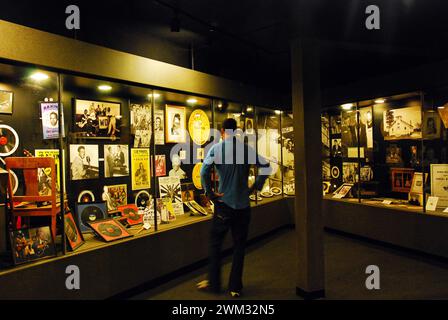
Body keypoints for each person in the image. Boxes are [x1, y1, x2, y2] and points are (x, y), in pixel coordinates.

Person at [197, 118, 272, 297]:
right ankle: (234, 288)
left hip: (224, 205)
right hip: (243, 206)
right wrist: (255, 187)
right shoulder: (246, 149)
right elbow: (266, 166)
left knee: (216, 244)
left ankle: (214, 285)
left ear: (222, 131)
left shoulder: (216, 149)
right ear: (236, 131)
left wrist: (210, 193)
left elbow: (203, 172)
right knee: (239, 247)